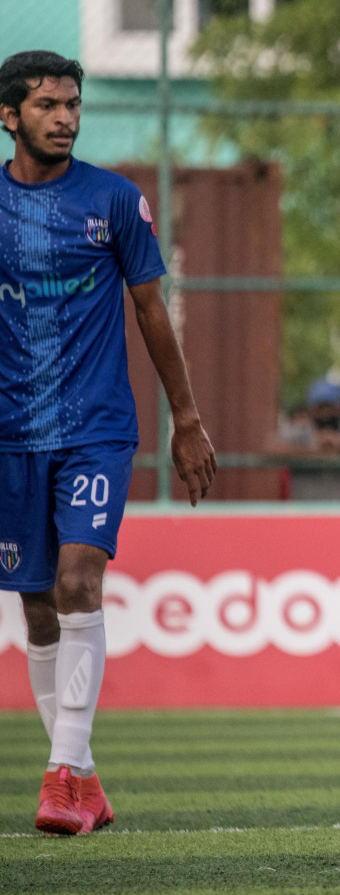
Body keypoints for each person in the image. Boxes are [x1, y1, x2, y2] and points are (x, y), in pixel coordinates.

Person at [0, 50, 218, 835]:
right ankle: (84, 777)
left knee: (78, 579)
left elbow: (153, 311)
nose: (64, 117)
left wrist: (185, 418)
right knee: (36, 607)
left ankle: (60, 776)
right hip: (11, 433)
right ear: (8, 115)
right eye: (47, 105)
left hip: (96, 427)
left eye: (73, 104)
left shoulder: (116, 200)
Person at [266, 378, 340, 500]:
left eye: (330, 406)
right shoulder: (300, 432)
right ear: (310, 408)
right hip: (306, 511)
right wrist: (313, 450)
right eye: (320, 407)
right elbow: (271, 449)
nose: (325, 413)